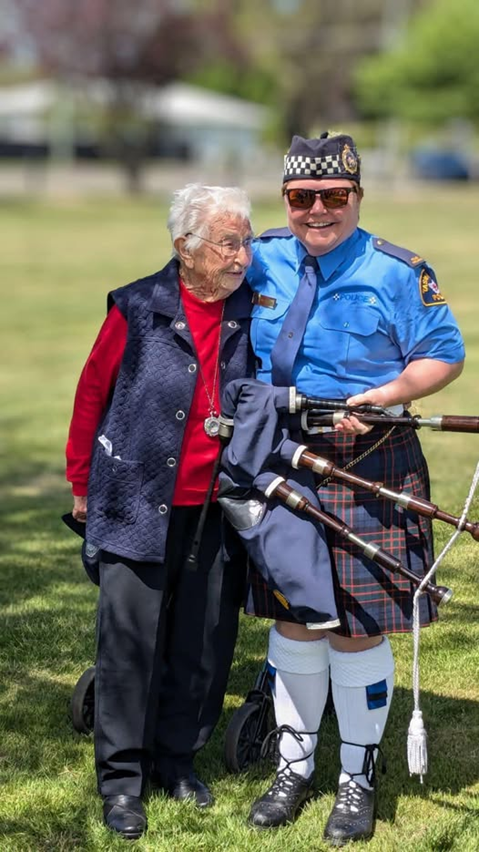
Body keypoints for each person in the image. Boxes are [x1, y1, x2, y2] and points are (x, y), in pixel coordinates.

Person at [243, 133, 465, 845]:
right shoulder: (259, 257)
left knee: (358, 628)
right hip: (278, 452)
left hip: (370, 456)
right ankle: (294, 763)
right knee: (295, 617)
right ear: (284, 200)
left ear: (356, 197)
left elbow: (442, 354)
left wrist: (385, 395)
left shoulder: (397, 270)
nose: (316, 210)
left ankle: (357, 775)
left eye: (333, 197)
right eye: (301, 198)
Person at [65, 183, 255, 840]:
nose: (241, 255)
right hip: (133, 499)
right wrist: (80, 481)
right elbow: (93, 391)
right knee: (128, 645)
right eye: (228, 242)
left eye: (245, 240)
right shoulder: (138, 307)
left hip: (214, 506)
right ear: (184, 247)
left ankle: (176, 761)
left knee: (201, 642)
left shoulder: (254, 309)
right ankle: (122, 781)